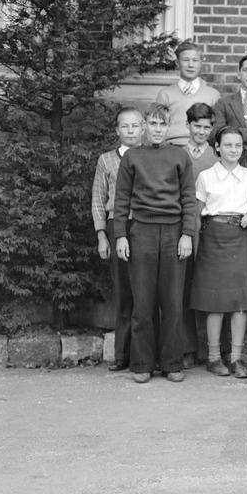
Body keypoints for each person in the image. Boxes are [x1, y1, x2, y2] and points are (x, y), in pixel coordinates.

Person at [113, 104, 198, 384]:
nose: (158, 129)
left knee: (173, 301)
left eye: (163, 124)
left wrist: (187, 234)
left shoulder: (180, 156)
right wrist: (121, 235)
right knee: (143, 302)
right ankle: (142, 364)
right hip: (142, 233)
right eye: (153, 123)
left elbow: (188, 199)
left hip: (174, 233)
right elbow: (121, 200)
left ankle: (172, 362)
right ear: (144, 126)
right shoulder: (133, 157)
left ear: (169, 126)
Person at [189, 127, 247, 379]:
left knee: (239, 302)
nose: (234, 150)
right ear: (217, 147)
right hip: (212, 238)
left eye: (238, 145)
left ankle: (236, 358)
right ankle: (212, 358)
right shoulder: (206, 176)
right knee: (215, 304)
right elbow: (196, 217)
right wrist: (197, 251)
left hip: (240, 238)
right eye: (228, 145)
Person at [92, 106, 144, 372]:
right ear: (117, 130)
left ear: (143, 128)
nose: (131, 131)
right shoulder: (106, 160)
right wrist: (103, 236)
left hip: (146, 226)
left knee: (144, 293)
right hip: (117, 226)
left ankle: (143, 356)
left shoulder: (150, 157)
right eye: (125, 126)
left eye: (135, 126)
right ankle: (122, 355)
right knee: (124, 292)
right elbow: (98, 201)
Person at [181, 102, 219, 368]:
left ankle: (215, 349)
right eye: (197, 126)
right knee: (180, 289)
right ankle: (185, 347)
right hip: (181, 226)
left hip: (205, 230)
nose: (202, 132)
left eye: (207, 127)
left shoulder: (216, 160)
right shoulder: (177, 154)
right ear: (188, 126)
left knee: (205, 290)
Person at [155, 41, 222, 147]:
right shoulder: (165, 94)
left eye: (195, 60)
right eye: (185, 60)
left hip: (202, 148)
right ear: (177, 63)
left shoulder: (213, 95)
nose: (190, 65)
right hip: (172, 147)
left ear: (200, 63)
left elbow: (216, 129)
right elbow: (157, 127)